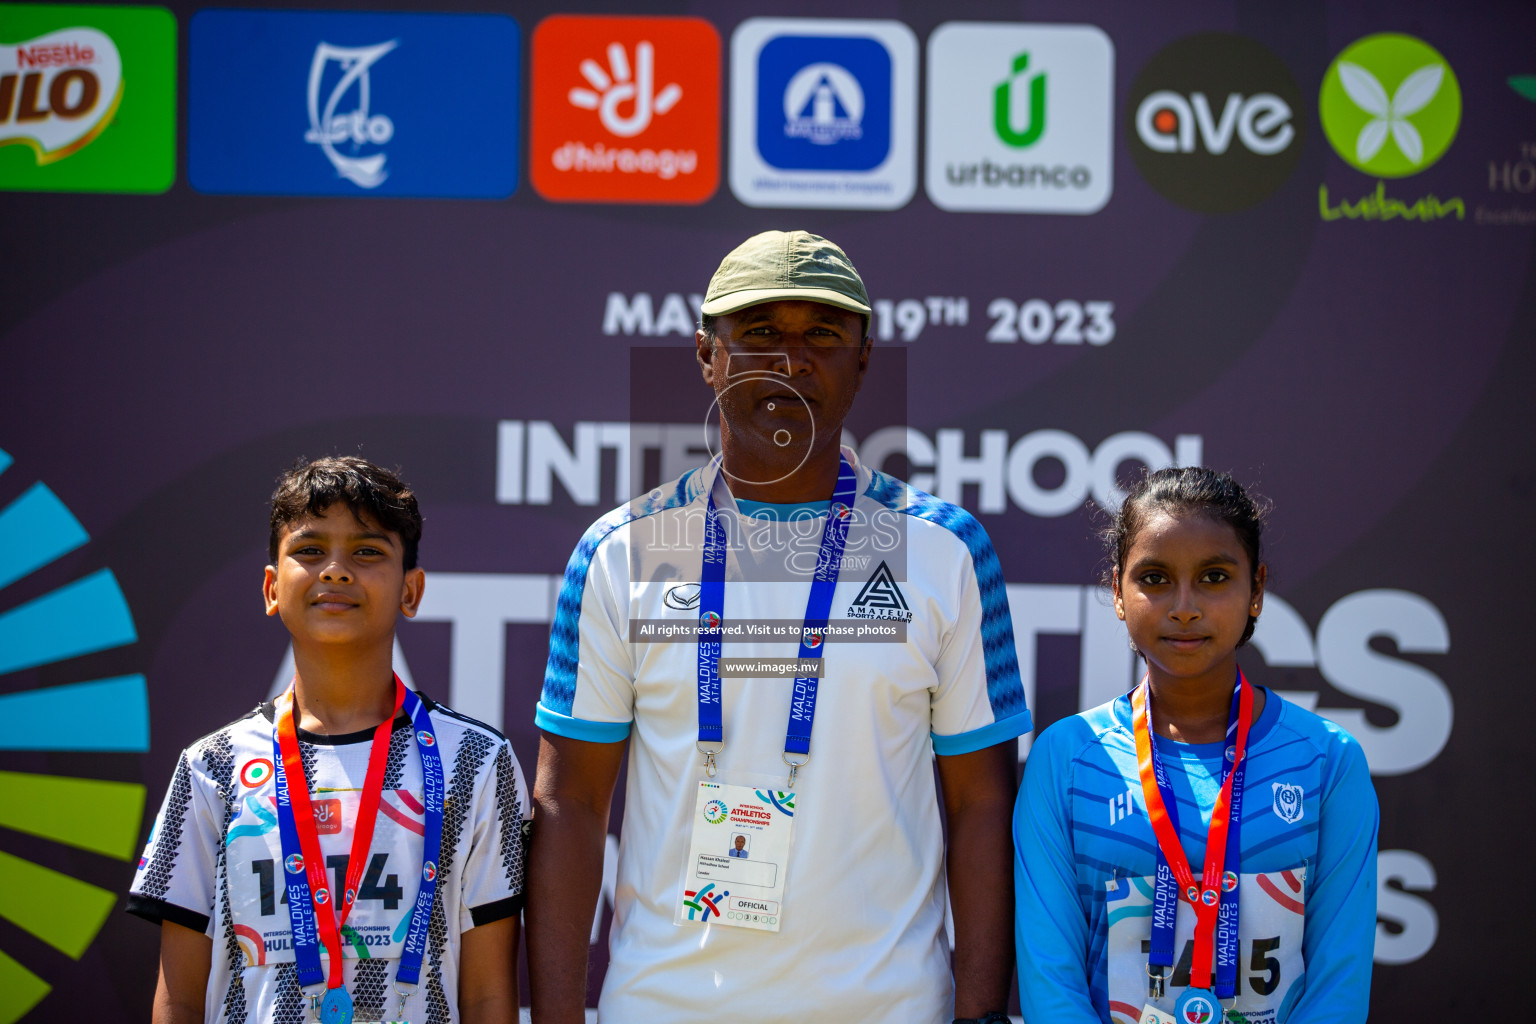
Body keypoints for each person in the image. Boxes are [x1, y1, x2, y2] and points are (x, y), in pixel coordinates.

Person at [526, 230, 1029, 1023]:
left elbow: (981, 806)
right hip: (663, 1007)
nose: (790, 362)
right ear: (707, 354)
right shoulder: (623, 550)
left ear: (863, 360)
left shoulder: (943, 548)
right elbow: (571, 805)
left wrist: (977, 1015)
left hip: (891, 1009)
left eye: (822, 335)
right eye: (759, 333)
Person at [128, 457, 528, 1024]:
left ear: (411, 591)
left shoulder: (478, 761)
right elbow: (181, 997)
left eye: (367, 552)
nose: (336, 571)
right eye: (310, 550)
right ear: (272, 588)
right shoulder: (210, 766)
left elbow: (489, 996)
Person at [1014, 467, 1378, 1024]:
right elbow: (1050, 981)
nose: (1184, 606)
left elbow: (1339, 986)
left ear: (1256, 589)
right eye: (1155, 579)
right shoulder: (1065, 759)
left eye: (1213, 577)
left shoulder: (1329, 761)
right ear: (1116, 592)